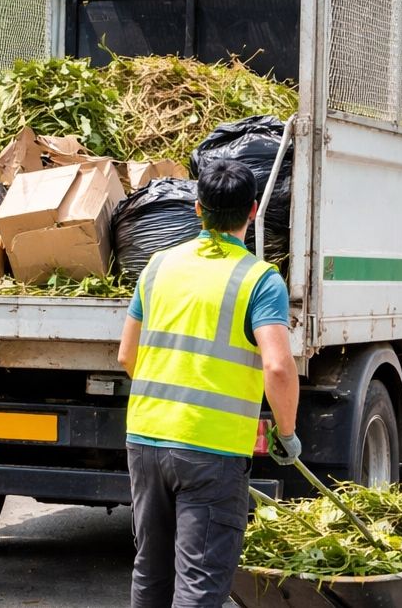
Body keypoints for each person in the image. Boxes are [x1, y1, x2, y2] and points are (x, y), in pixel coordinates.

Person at [116, 158, 301, 608]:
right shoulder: (259, 279)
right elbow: (277, 367)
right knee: (199, 582)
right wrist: (287, 433)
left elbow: (126, 355)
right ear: (253, 211)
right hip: (211, 451)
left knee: (151, 570)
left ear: (197, 209)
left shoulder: (157, 266)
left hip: (145, 440)